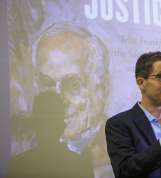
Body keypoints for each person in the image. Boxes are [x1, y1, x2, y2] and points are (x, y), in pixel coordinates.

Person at [30, 22, 112, 177]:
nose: (60, 101)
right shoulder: (18, 143)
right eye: (48, 84)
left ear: (103, 86)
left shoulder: (121, 145)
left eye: (74, 85)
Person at [6, 91, 94, 178]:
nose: (47, 126)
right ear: (62, 127)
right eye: (45, 122)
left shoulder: (16, 166)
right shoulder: (83, 167)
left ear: (35, 125)